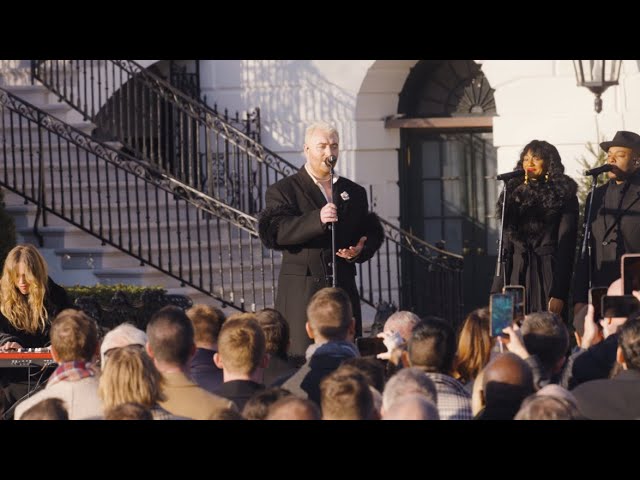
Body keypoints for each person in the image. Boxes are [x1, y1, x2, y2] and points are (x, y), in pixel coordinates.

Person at [258, 121, 384, 357]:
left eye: (334, 146)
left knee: (346, 357)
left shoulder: (353, 192)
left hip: (342, 288)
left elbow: (368, 230)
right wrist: (317, 219)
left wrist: (360, 249)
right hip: (302, 292)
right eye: (322, 146)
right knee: (303, 360)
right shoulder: (284, 190)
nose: (330, 153)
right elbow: (277, 231)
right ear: (307, 149)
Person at [492, 140, 578, 317]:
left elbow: (566, 249)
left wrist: (559, 293)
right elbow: (505, 248)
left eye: (536, 158)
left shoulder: (564, 195)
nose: (529, 163)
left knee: (546, 331)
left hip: (547, 273)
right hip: (516, 275)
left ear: (549, 163)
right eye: (525, 159)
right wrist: (496, 290)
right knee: (512, 332)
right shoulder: (513, 193)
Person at [574, 130, 640, 317]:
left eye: (619, 155)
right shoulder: (596, 196)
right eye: (609, 156)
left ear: (637, 160)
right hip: (600, 291)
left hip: (634, 291)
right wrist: (579, 299)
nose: (611, 160)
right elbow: (585, 250)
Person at [0, 244, 72, 408]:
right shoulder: (1, 295)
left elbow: (69, 325)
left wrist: (55, 345)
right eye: (16, 276)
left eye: (27, 276)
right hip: (13, 377)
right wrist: (7, 341)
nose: (21, 282)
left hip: (49, 373)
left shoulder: (55, 295)